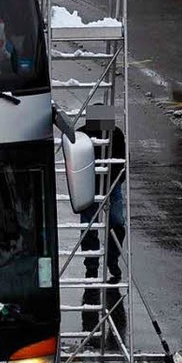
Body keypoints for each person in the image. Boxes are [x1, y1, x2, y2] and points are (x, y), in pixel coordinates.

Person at [78, 124, 127, 341]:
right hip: (90, 183)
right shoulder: (84, 134)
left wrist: (112, 181)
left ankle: (111, 261)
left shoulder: (114, 133)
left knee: (116, 223)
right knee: (90, 227)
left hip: (109, 182)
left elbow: (122, 162)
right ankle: (92, 265)